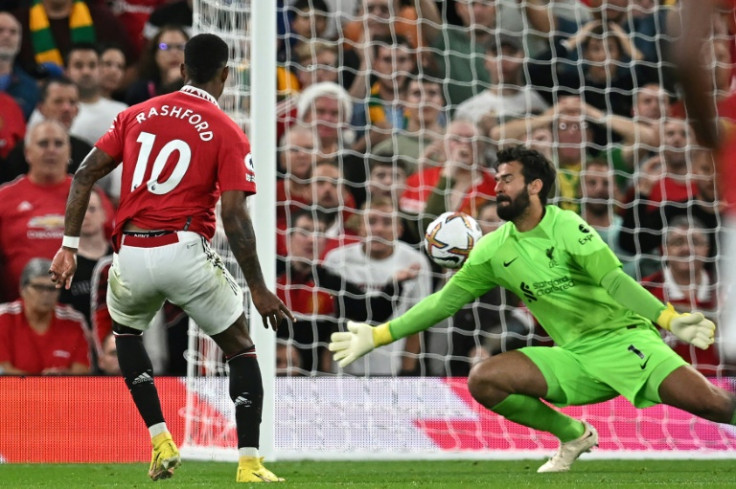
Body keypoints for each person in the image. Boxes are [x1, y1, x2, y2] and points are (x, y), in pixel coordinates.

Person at [330, 145, 731, 473]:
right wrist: (379, 334)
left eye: (507, 179)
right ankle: (573, 434)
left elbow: (615, 280)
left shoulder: (568, 226)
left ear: (535, 185)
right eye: (497, 178)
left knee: (713, 404)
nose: (497, 186)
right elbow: (443, 302)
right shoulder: (492, 248)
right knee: (484, 380)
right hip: (573, 356)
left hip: (624, 342)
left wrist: (669, 319)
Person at [48, 33, 294, 483]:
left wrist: (67, 245)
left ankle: (160, 439)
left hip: (131, 254)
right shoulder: (227, 130)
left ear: (181, 71)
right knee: (240, 349)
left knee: (126, 333)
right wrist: (258, 287)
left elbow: (83, 174)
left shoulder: (135, 114)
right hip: (183, 251)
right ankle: (249, 463)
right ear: (225, 75)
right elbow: (234, 215)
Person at [0, 258, 90, 375]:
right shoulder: (4, 317)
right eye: (39, 287)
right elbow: (3, 372)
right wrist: (42, 384)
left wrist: (62, 377)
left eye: (52, 289)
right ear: (22, 289)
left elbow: (83, 372)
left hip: (62, 391)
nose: (46, 294)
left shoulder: (74, 321)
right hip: (13, 392)